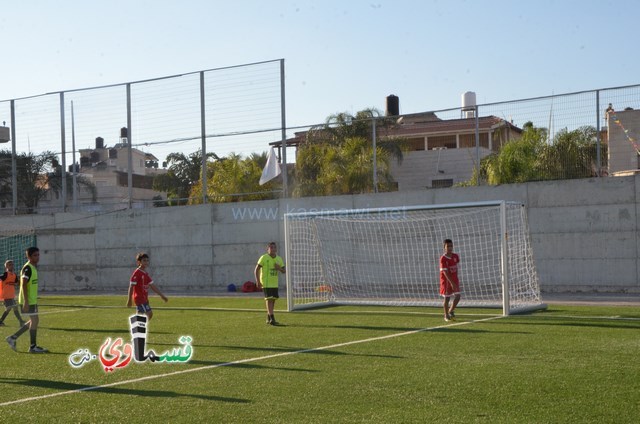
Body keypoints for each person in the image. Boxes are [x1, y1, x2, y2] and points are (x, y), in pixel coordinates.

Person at [6, 247, 48, 353]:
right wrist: (26, 301)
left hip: (32, 300)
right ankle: (32, 347)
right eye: (35, 255)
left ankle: (13, 338)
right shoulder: (27, 268)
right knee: (34, 321)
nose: (37, 257)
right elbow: (23, 284)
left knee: (34, 321)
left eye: (38, 255)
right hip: (28, 300)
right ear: (29, 256)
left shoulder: (33, 267)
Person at [126, 252, 168, 320]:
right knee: (149, 314)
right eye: (144, 260)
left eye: (147, 260)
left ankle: (137, 328)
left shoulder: (145, 273)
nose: (146, 262)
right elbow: (131, 286)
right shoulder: (137, 273)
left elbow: (153, 286)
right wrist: (129, 300)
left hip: (144, 298)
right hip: (139, 298)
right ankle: (139, 327)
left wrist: (162, 296)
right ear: (139, 262)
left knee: (140, 315)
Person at [255, 242, 286, 325]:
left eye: (274, 247)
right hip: (266, 282)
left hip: (274, 283)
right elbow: (256, 269)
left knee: (273, 300)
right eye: (271, 247)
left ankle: (268, 318)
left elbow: (284, 271)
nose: (273, 249)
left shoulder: (279, 259)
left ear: (276, 249)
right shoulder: (264, 257)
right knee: (269, 299)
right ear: (267, 249)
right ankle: (272, 318)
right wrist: (258, 281)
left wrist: (279, 268)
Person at [0, 260, 26, 327]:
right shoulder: (5, 274)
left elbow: (17, 283)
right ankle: (21, 321)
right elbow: (1, 277)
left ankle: (0, 321)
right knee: (13, 308)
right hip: (6, 296)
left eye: (12, 264)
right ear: (6, 266)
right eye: (9, 265)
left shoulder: (14, 275)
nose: (11, 266)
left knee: (10, 309)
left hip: (11, 295)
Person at [439, 239, 461, 322]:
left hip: (454, 280)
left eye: (451, 246)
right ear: (444, 248)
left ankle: (450, 311)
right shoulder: (443, 258)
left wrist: (456, 279)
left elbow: (456, 268)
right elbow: (444, 272)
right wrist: (452, 283)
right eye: (448, 246)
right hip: (446, 282)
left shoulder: (455, 256)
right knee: (447, 299)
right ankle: (446, 315)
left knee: (458, 296)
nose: (450, 248)